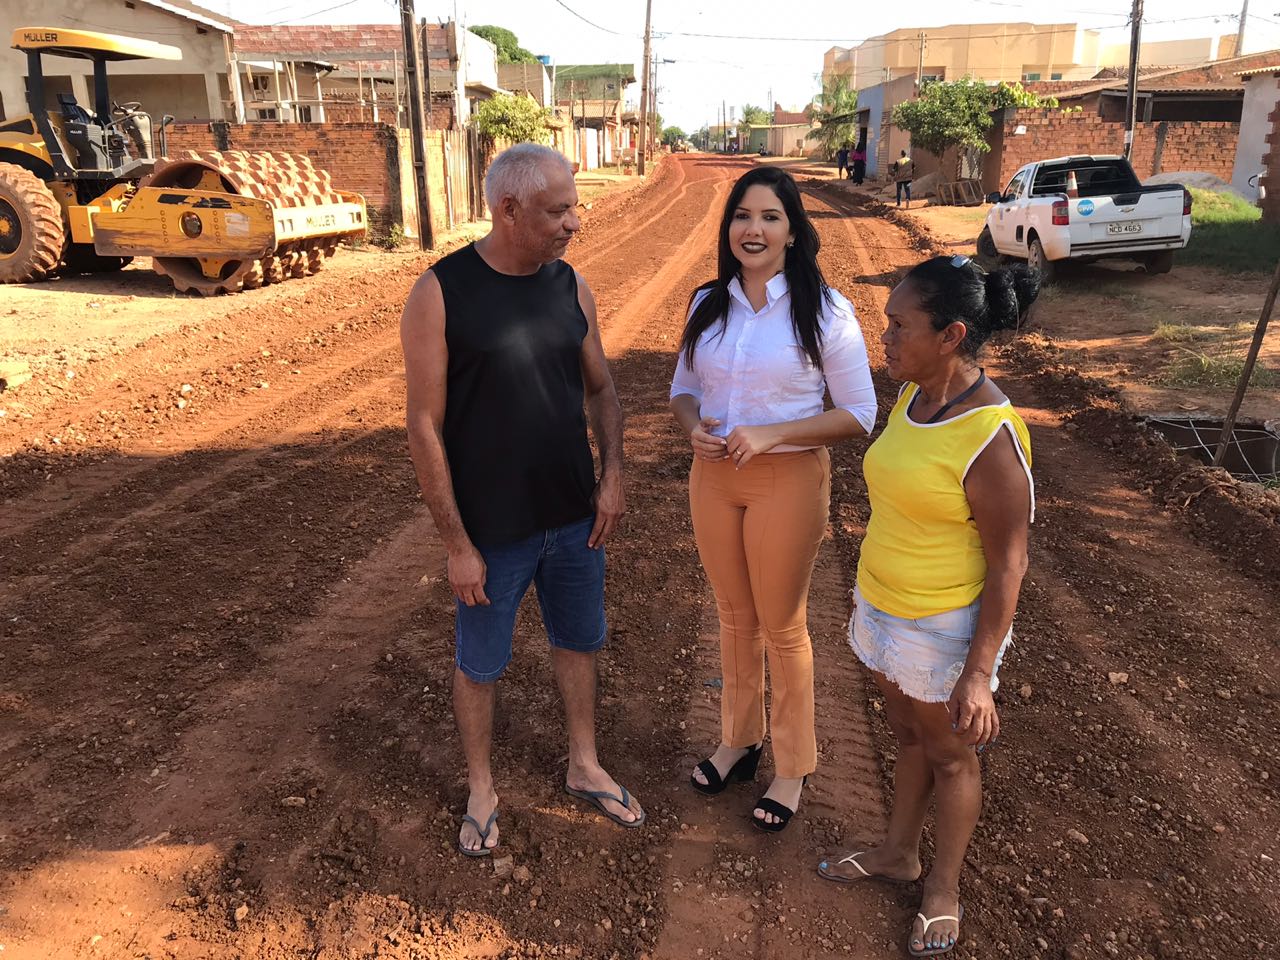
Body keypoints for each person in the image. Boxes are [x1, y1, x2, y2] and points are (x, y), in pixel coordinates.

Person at [400, 143, 643, 859]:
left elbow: (601, 387)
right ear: (508, 210)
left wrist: (614, 472)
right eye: (559, 210)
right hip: (493, 533)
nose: (576, 222)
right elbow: (423, 424)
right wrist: (456, 544)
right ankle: (482, 788)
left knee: (580, 640)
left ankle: (583, 762)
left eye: (574, 206)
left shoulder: (569, 287)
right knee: (480, 663)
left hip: (574, 520)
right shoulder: (440, 293)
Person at [817, 255, 1039, 957]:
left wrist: (978, 673)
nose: (884, 338)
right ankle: (896, 854)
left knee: (950, 758)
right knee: (909, 739)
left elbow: (1009, 563)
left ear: (951, 335)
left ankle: (942, 887)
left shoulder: (992, 436)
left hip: (943, 629)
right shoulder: (916, 399)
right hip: (883, 607)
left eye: (898, 326)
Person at [670, 166, 877, 833]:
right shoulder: (708, 302)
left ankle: (792, 766)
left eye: (769, 217)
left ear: (793, 230)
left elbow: (859, 413)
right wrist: (692, 426)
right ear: (728, 227)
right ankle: (738, 739)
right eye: (742, 217)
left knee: (782, 626)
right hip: (716, 478)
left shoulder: (826, 309)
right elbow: (682, 388)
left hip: (788, 478)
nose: (753, 230)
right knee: (733, 617)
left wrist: (774, 432)